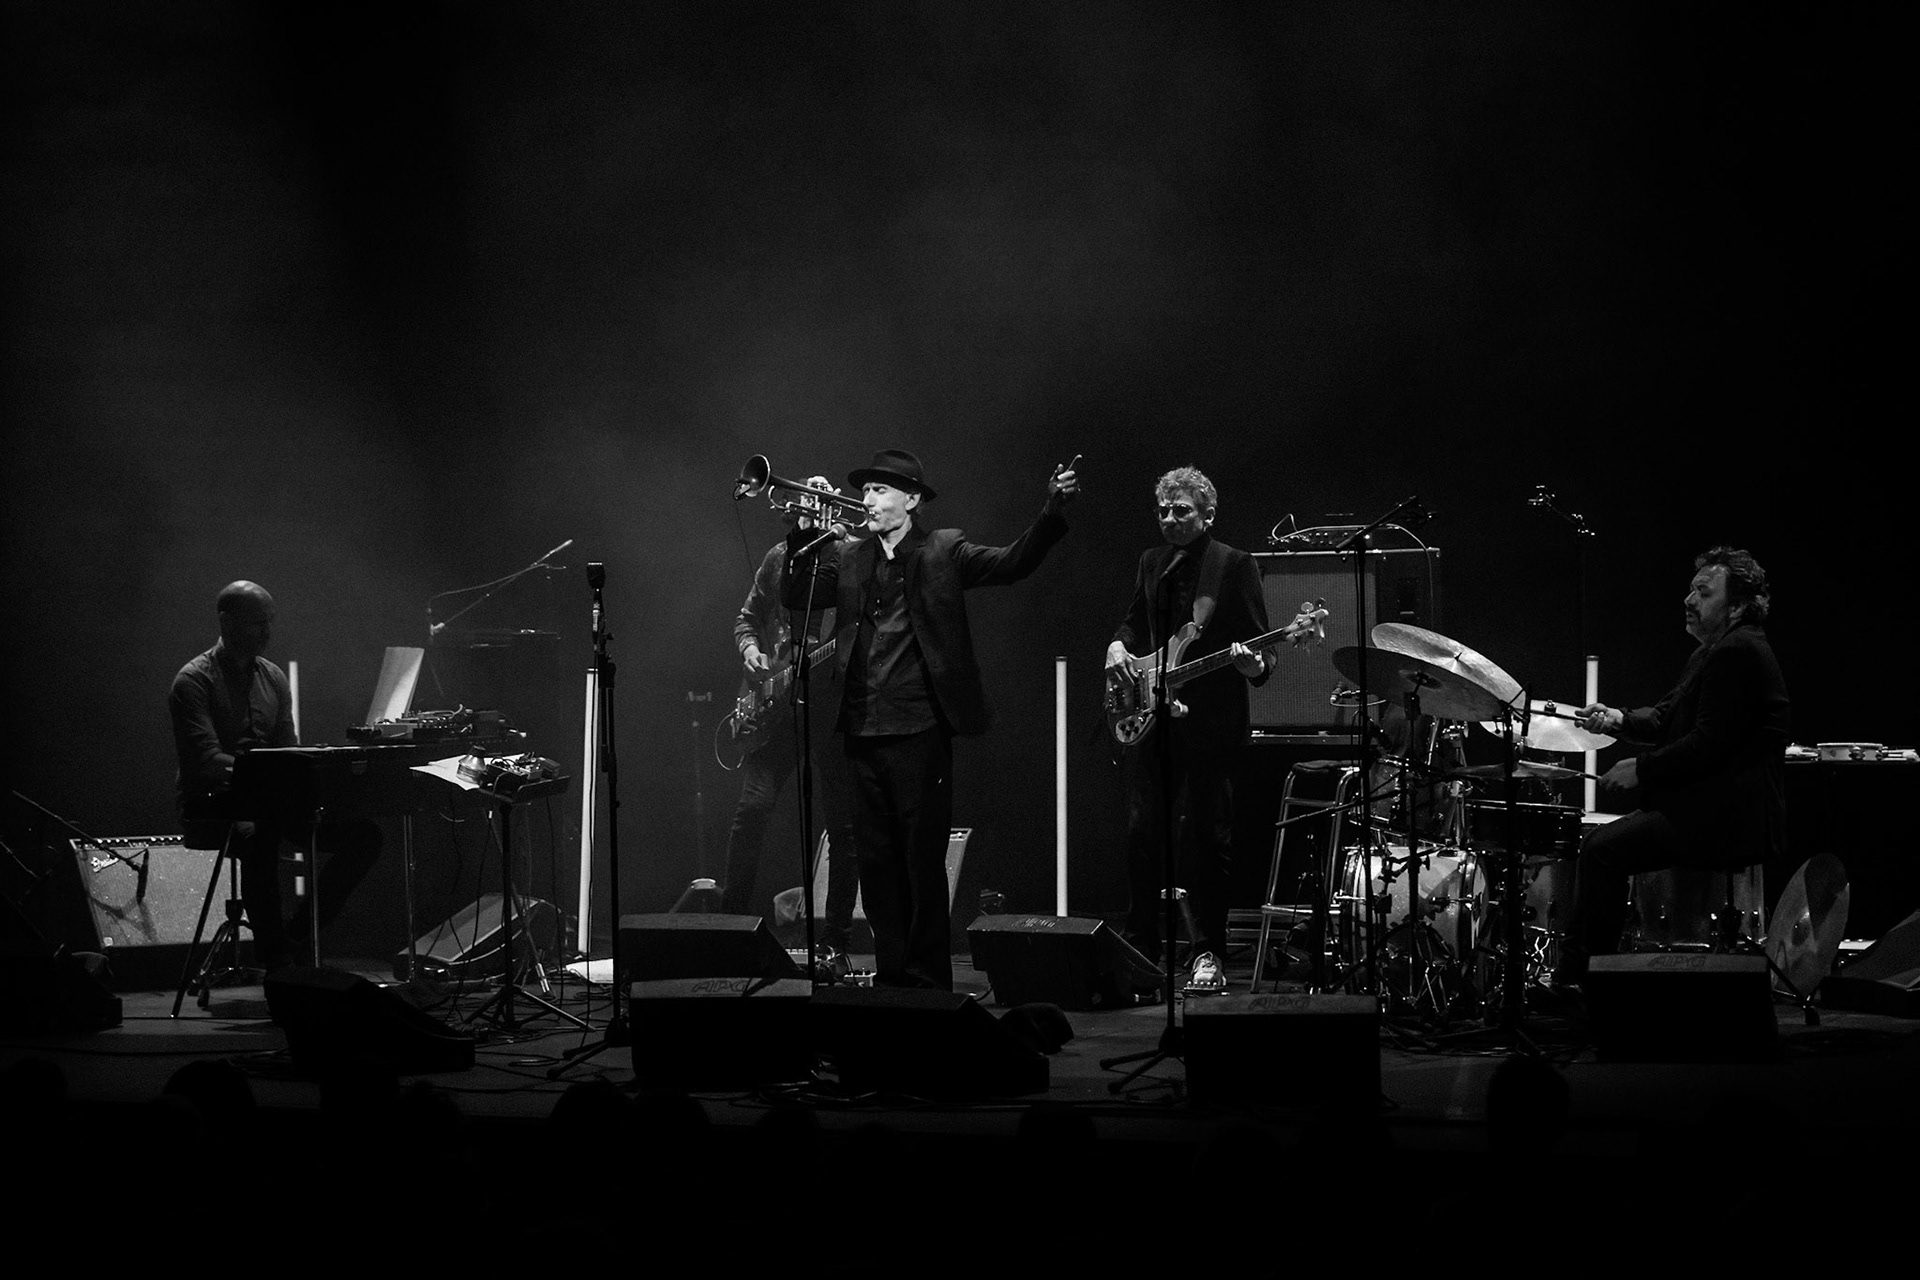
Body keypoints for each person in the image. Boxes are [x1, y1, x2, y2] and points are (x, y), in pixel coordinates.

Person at [783, 449, 1079, 990]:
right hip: (861, 729)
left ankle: (926, 980)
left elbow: (1013, 562)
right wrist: (803, 534)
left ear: (912, 500)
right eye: (866, 490)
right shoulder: (849, 555)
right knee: (876, 866)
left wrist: (1052, 509)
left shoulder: (944, 548)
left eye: (880, 490)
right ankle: (894, 975)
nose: (867, 499)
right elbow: (795, 593)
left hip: (919, 728)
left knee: (920, 862)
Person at [1560, 546, 1790, 976]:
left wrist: (1640, 769)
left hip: (1729, 819)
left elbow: (1708, 744)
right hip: (1713, 809)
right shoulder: (1714, 650)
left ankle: (1583, 981)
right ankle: (1586, 978)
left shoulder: (1737, 652)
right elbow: (1667, 717)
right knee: (1602, 846)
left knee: (1601, 849)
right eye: (1691, 590)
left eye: (1703, 592)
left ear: (1738, 605)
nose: (1688, 600)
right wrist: (1616, 719)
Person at [1105, 466, 1273, 995]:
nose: (1170, 520)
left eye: (1181, 511)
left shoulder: (1233, 565)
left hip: (1211, 725)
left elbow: (1261, 653)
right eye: (1163, 511)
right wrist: (1117, 645)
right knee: (1141, 835)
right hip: (1153, 718)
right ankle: (1139, 950)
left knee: (1207, 840)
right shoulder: (1153, 562)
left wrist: (1252, 665)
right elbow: (1134, 622)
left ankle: (1208, 953)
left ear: (1207, 515)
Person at [169, 580, 381, 969]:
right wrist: (271, 773)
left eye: (269, 622)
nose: (267, 633)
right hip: (213, 804)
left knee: (365, 835)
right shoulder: (192, 681)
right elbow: (206, 763)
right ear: (226, 621)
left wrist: (321, 761)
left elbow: (288, 749)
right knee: (257, 832)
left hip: (270, 802)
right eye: (257, 623)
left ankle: (297, 936)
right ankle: (274, 954)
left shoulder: (273, 678)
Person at [721, 514, 860, 973]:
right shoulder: (778, 558)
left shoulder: (853, 556)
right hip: (778, 706)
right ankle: (730, 929)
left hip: (833, 706)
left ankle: (834, 943)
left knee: (843, 827)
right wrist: (750, 651)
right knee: (751, 813)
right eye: (800, 506)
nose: (808, 513)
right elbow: (746, 618)